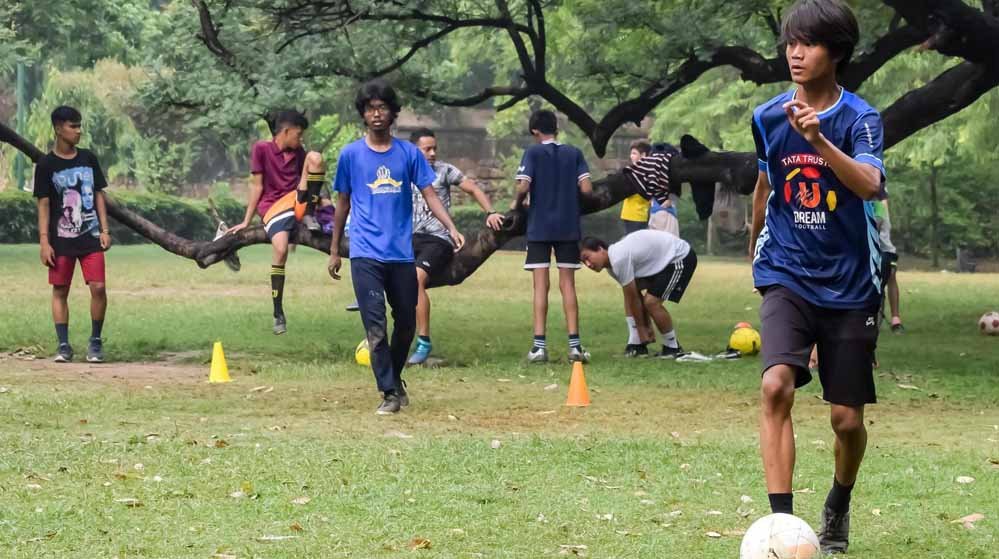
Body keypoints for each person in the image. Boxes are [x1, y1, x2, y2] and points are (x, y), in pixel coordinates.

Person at [748, 1, 887, 554]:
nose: (796, 53)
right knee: (775, 385)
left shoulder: (860, 119)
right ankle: (782, 526)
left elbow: (870, 185)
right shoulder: (767, 116)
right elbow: (766, 185)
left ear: (838, 52)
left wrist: (819, 141)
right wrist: (755, 248)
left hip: (851, 284)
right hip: (786, 270)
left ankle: (838, 502)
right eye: (791, 43)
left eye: (808, 44)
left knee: (846, 420)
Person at [327, 80, 465, 415]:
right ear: (363, 114)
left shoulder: (409, 153)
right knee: (375, 326)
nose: (376, 114)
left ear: (392, 113)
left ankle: (395, 377)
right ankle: (389, 392)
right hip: (364, 253)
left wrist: (451, 227)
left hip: (402, 253)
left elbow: (430, 194)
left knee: (405, 323)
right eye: (370, 108)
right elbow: (342, 203)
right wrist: (334, 249)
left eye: (382, 108)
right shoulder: (350, 155)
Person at [407, 128, 504, 365]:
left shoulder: (445, 170)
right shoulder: (403, 171)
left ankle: (424, 342)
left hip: (438, 239)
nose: (432, 153)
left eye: (434, 148)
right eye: (427, 149)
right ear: (414, 151)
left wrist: (490, 212)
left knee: (416, 280)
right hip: (408, 239)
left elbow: (473, 188)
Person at [228, 110, 326, 335]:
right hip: (274, 207)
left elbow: (307, 181)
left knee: (316, 158)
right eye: (298, 134)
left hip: (296, 202)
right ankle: (278, 312)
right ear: (286, 131)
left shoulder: (299, 152)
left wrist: (321, 202)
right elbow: (257, 186)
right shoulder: (261, 149)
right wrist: (246, 220)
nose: (300, 139)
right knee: (280, 250)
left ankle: (309, 215)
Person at [512, 109, 593, 363]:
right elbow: (587, 189)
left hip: (539, 227)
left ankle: (539, 347)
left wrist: (517, 203)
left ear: (535, 131)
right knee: (568, 284)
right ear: (556, 129)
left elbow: (523, 185)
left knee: (541, 285)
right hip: (568, 226)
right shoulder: (574, 153)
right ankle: (575, 347)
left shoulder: (533, 152)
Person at [34, 106, 111, 363]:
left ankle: (95, 342)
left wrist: (105, 229)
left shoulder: (88, 158)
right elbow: (43, 204)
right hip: (61, 240)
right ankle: (64, 345)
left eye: (79, 126)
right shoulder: (46, 165)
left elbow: (99, 194)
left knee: (99, 287)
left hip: (90, 237)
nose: (79, 131)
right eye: (73, 126)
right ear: (58, 128)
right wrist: (44, 242)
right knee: (60, 290)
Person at [580, 231, 696, 358]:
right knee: (633, 296)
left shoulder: (618, 258)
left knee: (651, 303)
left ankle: (673, 347)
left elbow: (634, 298)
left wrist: (642, 329)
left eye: (587, 257)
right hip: (662, 262)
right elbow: (633, 294)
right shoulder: (612, 267)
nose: (588, 264)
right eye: (584, 262)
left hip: (679, 256)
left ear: (600, 249)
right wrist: (646, 326)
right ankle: (636, 345)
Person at [874, 199, 904, 332]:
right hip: (871, 249)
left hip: (884, 249)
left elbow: (878, 224)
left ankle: (895, 318)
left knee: (889, 277)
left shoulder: (879, 202)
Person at [619, 140, 652, 235]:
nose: (631, 156)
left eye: (634, 153)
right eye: (631, 153)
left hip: (638, 216)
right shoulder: (633, 171)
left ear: (643, 155)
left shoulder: (646, 172)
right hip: (628, 215)